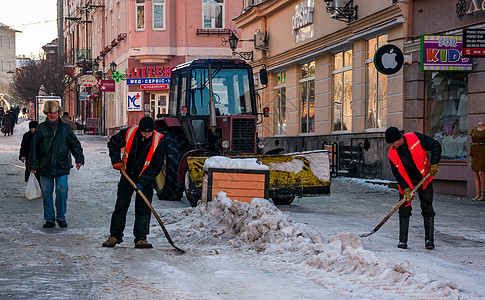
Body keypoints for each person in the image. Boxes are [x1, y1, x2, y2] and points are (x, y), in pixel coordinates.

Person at [103, 116, 166, 248]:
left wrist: (142, 181)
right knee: (121, 206)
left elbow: (156, 166)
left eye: (150, 133)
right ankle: (115, 235)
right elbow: (113, 143)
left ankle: (141, 238)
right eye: (144, 133)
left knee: (143, 208)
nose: (147, 135)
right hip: (127, 175)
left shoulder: (159, 140)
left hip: (146, 179)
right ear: (139, 130)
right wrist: (116, 161)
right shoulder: (129, 132)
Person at [28, 100, 84, 228]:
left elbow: (75, 144)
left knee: (62, 190)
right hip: (45, 166)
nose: (52, 115)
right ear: (46, 113)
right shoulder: (41, 129)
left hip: (62, 165)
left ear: (58, 113)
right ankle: (49, 219)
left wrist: (79, 159)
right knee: (47, 193)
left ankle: (61, 217)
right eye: (49, 113)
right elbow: (34, 148)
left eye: (54, 112)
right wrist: (32, 166)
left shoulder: (65, 128)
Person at [385, 126, 442, 250]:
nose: (392, 145)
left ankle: (429, 240)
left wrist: (434, 163)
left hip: (424, 178)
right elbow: (398, 175)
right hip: (407, 182)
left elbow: (435, 146)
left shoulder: (415, 137)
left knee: (427, 207)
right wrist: (405, 189)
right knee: (404, 208)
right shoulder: (392, 154)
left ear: (399, 138)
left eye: (393, 143)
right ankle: (402, 240)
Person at [471, 121, 485, 201]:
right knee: (474, 172)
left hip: (483, 151)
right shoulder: (474, 129)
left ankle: (483, 194)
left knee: (481, 172)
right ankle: (477, 194)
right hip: (475, 151)